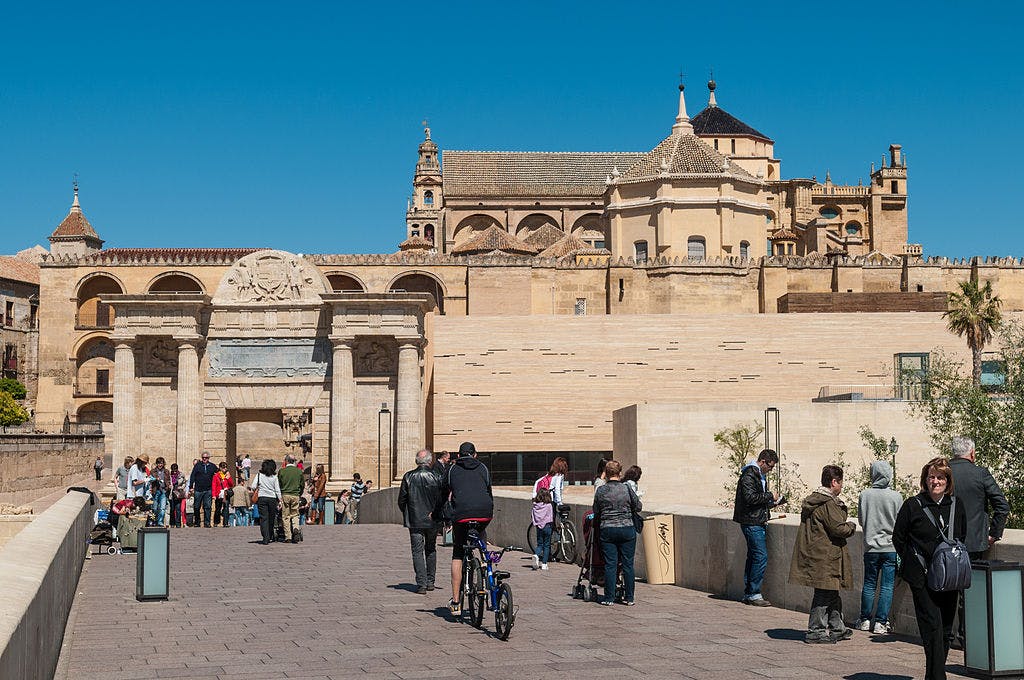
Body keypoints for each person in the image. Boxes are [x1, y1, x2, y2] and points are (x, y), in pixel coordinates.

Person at [893, 457, 967, 680]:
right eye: (931, 477)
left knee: (945, 629)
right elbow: (898, 538)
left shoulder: (956, 505)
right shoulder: (913, 505)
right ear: (925, 480)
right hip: (922, 577)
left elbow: (962, 535)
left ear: (948, 481)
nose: (936, 481)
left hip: (949, 577)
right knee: (932, 625)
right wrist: (914, 565)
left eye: (940, 477)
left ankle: (933, 674)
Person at [948, 435, 1010, 648]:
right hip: (974, 543)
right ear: (972, 453)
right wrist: (993, 533)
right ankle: (966, 637)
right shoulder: (980, 473)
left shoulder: (942, 473)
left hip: (945, 543)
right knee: (969, 593)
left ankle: (946, 635)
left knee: (944, 588)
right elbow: (1002, 506)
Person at [789, 465, 856, 644]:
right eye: (840, 483)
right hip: (825, 556)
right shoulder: (827, 503)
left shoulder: (815, 501)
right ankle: (816, 630)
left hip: (818, 554)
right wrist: (851, 526)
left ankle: (837, 627)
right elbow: (838, 528)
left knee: (831, 592)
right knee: (824, 594)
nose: (842, 486)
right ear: (834, 482)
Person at [438, 441, 494, 616]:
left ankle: (456, 602)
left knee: (458, 553)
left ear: (458, 455)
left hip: (461, 515)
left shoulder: (452, 470)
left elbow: (442, 494)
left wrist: (438, 514)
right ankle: (484, 562)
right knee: (481, 533)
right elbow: (488, 491)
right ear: (475, 455)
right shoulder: (483, 468)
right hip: (484, 512)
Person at [857, 460, 903, 634]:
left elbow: (861, 520)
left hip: (871, 548)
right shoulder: (896, 496)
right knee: (886, 586)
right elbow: (900, 522)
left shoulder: (865, 495)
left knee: (869, 584)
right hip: (890, 548)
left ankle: (865, 620)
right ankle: (881, 622)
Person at [733, 448, 781, 607]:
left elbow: (756, 500)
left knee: (753, 557)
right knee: (760, 556)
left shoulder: (758, 475)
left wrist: (772, 503)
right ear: (763, 461)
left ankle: (749, 593)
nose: (771, 470)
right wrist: (769, 495)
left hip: (756, 520)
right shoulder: (749, 475)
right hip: (751, 522)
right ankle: (754, 593)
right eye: (770, 466)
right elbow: (750, 498)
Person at [592, 460, 640, 606]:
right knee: (628, 565)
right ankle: (629, 598)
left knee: (610, 564)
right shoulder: (626, 488)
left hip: (608, 530)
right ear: (620, 473)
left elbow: (596, 510)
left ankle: (609, 598)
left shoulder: (601, 490)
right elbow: (638, 506)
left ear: (606, 473)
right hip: (627, 529)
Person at [398, 449, 443, 594]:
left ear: (417, 461)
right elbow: (441, 499)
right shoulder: (437, 476)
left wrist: (408, 512)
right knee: (431, 548)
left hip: (415, 520)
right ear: (430, 461)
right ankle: (430, 582)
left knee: (417, 551)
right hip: (432, 519)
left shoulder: (408, 476)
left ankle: (421, 584)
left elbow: (401, 500)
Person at [250, 459, 283, 545]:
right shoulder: (274, 477)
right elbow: (277, 490)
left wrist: (259, 488)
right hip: (272, 499)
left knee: (263, 518)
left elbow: (253, 486)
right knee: (271, 518)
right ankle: (270, 534)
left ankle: (265, 537)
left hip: (262, 498)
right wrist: (280, 500)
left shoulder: (259, 475)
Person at [278, 454, 303, 543]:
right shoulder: (299, 471)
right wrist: (299, 493)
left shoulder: (282, 471)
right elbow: (302, 484)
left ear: (286, 461)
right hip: (295, 495)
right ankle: (296, 528)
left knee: (286, 516)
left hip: (285, 494)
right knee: (295, 514)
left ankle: (288, 536)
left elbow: (279, 484)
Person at [189, 451, 218, 528]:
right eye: (203, 458)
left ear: (209, 458)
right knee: (196, 507)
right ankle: (197, 522)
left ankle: (207, 523)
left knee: (207, 507)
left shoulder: (213, 466)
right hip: (198, 490)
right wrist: (191, 487)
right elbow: (192, 476)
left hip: (208, 490)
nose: (204, 459)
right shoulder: (197, 466)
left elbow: (218, 474)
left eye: (206, 458)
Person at [531, 487, 554, 570]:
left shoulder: (535, 506)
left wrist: (537, 524)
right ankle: (544, 564)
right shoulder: (548, 505)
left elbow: (533, 516)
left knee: (540, 544)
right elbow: (550, 517)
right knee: (547, 545)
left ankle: (536, 554)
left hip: (539, 527)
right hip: (547, 526)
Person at [212, 461, 234, 528]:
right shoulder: (216, 476)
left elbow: (231, 484)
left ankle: (225, 523)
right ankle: (216, 522)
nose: (225, 469)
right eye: (223, 467)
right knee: (218, 509)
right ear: (220, 468)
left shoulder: (227, 475)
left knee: (226, 508)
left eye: (226, 467)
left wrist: (228, 478)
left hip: (226, 494)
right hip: (219, 494)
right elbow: (214, 485)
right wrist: (213, 495)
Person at [150, 457, 171, 527]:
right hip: (156, 491)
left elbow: (168, 480)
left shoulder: (166, 471)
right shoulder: (153, 471)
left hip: (163, 491)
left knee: (162, 508)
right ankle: (154, 521)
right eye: (159, 463)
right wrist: (155, 479)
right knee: (155, 508)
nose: (160, 465)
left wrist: (168, 486)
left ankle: (160, 521)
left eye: (161, 463)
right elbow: (150, 480)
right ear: (157, 464)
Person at [169, 463, 188, 528]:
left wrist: (181, 487)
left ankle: (178, 524)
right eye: (173, 470)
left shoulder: (181, 475)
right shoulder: (169, 475)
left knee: (178, 509)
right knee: (172, 509)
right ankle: (172, 523)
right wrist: (169, 486)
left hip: (178, 493)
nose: (174, 472)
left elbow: (184, 482)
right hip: (171, 493)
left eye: (175, 470)